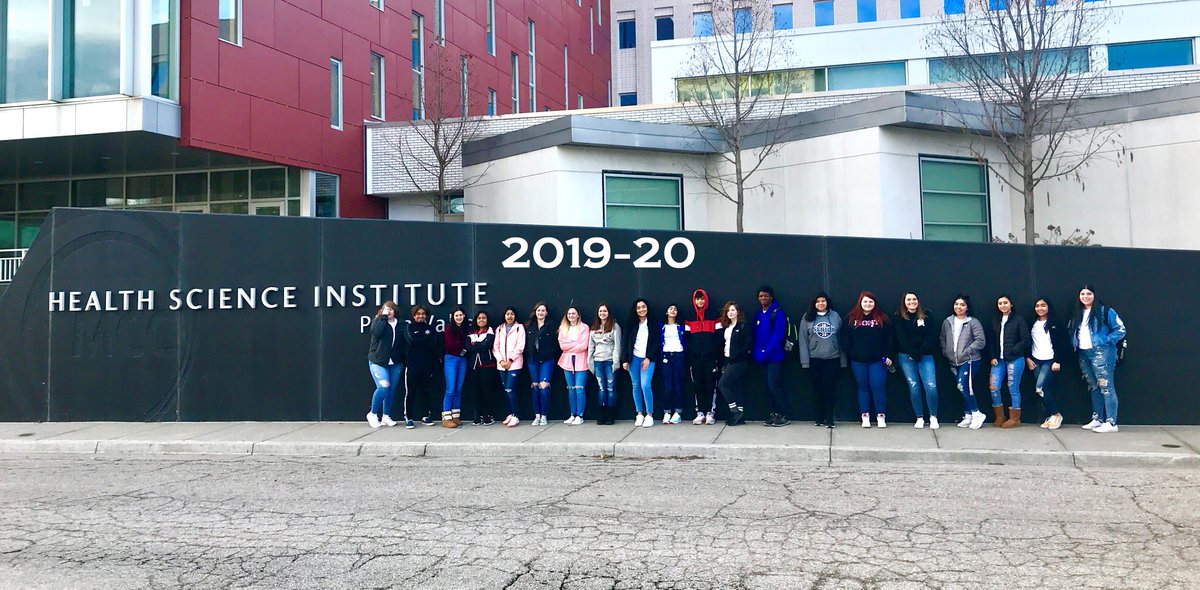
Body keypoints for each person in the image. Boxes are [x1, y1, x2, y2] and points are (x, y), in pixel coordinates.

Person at [1069, 285, 1126, 433]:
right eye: (1082, 294)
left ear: (1094, 295)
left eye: (1089, 293)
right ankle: (1097, 418)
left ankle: (1112, 422)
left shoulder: (1104, 311)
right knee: (1093, 386)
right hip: (1083, 353)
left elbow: (1120, 329)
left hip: (1102, 352)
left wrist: (1105, 341)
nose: (1085, 296)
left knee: (1106, 386)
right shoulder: (1078, 313)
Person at [841, 291, 894, 428]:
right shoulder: (851, 319)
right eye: (865, 301)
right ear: (860, 302)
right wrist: (853, 353)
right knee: (863, 388)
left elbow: (890, 339)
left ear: (874, 303)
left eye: (870, 301)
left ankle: (881, 416)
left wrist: (888, 355)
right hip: (858, 361)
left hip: (878, 361)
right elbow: (844, 339)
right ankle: (865, 416)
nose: (868, 304)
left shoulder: (883, 318)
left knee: (878, 387)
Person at [939, 295, 988, 429]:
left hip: (970, 360)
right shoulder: (947, 322)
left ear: (967, 308)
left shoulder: (973, 322)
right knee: (963, 388)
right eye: (956, 304)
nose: (958, 307)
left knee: (964, 386)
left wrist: (967, 351)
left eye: (962, 305)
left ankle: (977, 413)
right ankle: (968, 415)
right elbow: (942, 339)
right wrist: (946, 352)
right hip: (953, 361)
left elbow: (980, 341)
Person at [799, 292, 846, 428]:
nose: (821, 303)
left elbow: (841, 338)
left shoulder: (835, 316)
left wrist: (843, 360)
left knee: (830, 390)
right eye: (818, 301)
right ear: (814, 303)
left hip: (833, 359)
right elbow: (803, 340)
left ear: (827, 302)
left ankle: (829, 418)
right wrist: (805, 362)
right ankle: (819, 418)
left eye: (823, 301)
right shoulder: (807, 317)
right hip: (815, 360)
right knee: (817, 390)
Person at [894, 292, 940, 429]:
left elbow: (932, 336)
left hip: (925, 355)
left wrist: (920, 352)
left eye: (914, 299)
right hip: (906, 356)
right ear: (904, 302)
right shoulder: (899, 317)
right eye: (908, 300)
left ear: (918, 301)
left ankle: (933, 416)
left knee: (931, 386)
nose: (912, 302)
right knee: (914, 387)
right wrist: (913, 352)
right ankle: (919, 417)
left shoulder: (927, 315)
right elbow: (901, 338)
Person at [988, 295, 1030, 428]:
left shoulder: (1019, 319)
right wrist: (992, 356)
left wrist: (1013, 350)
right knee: (994, 387)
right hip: (998, 360)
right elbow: (991, 341)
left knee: (1013, 388)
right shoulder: (995, 320)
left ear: (1011, 304)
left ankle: (1015, 418)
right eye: (1000, 303)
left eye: (1005, 302)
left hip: (1015, 359)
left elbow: (1025, 340)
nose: (1003, 305)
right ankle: (1000, 416)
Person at [753, 285, 790, 427]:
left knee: (774, 386)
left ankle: (784, 415)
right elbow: (756, 336)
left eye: (766, 296)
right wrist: (758, 354)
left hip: (775, 357)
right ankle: (773, 414)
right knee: (767, 388)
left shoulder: (777, 313)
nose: (763, 298)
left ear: (771, 297)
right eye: (761, 296)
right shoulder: (758, 313)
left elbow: (778, 336)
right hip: (762, 359)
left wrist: (765, 353)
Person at [366, 301, 407, 429]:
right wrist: (383, 317)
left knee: (391, 389)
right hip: (378, 361)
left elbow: (405, 342)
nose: (389, 311)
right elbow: (377, 333)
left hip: (395, 362)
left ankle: (386, 416)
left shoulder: (401, 324)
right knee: (384, 386)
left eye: (391, 309)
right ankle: (372, 414)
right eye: (386, 309)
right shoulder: (378, 322)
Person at [622, 298, 661, 428]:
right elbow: (625, 341)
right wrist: (625, 359)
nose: (641, 309)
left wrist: (649, 358)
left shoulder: (653, 323)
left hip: (647, 359)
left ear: (647, 307)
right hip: (634, 358)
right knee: (636, 385)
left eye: (643, 307)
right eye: (638, 308)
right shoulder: (631, 323)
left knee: (645, 385)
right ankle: (639, 413)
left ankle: (649, 414)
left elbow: (656, 343)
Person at [1028, 298, 1067, 430]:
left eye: (1043, 305)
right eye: (1037, 306)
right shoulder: (1032, 323)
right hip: (1036, 360)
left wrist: (1058, 361)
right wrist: (1028, 358)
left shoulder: (1055, 322)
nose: (1040, 308)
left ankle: (1056, 414)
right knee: (1040, 391)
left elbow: (1063, 342)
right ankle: (1050, 415)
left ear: (1048, 306)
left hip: (1050, 360)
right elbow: (1027, 341)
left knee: (1041, 387)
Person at [685, 289, 720, 425]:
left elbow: (718, 336)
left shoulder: (714, 315)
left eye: (702, 298)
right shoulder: (689, 316)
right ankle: (700, 413)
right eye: (697, 299)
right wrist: (695, 352)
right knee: (697, 385)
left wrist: (710, 351)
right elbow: (687, 338)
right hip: (695, 359)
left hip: (710, 358)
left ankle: (710, 413)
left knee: (711, 385)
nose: (700, 301)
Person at [716, 301, 753, 426]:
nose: (730, 312)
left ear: (738, 312)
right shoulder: (726, 327)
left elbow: (748, 344)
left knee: (723, 384)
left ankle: (735, 411)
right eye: (728, 310)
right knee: (737, 387)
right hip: (727, 360)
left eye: (733, 310)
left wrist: (737, 355)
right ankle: (740, 415)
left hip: (739, 361)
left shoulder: (743, 326)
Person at [405, 305, 441, 428]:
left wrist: (422, 339)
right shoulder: (409, 327)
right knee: (411, 392)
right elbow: (412, 341)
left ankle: (426, 416)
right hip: (412, 365)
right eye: (418, 314)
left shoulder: (430, 328)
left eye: (423, 313)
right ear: (414, 315)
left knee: (425, 391)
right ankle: (409, 417)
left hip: (426, 366)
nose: (421, 315)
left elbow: (433, 343)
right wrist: (425, 339)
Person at [587, 303, 622, 425]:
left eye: (605, 311)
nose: (602, 313)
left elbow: (618, 345)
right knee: (601, 389)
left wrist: (616, 362)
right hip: (597, 362)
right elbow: (590, 347)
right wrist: (590, 363)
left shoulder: (615, 327)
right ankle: (601, 414)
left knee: (611, 388)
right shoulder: (593, 328)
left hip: (610, 362)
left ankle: (610, 415)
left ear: (609, 313)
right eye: (600, 311)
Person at [525, 302, 559, 426]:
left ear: (546, 312)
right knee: (535, 387)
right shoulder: (530, 326)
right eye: (539, 310)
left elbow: (556, 344)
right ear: (535, 312)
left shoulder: (551, 325)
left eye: (543, 310)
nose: (540, 313)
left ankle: (544, 416)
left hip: (546, 360)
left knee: (544, 388)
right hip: (532, 361)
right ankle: (537, 415)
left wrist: (550, 353)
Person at [557, 306, 591, 425]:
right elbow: (562, 346)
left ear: (578, 315)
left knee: (579, 388)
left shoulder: (584, 327)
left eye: (573, 313)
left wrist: (571, 346)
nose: (571, 315)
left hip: (581, 361)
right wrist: (574, 345)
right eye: (569, 313)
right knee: (571, 389)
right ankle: (573, 414)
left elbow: (584, 345)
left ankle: (580, 415)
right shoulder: (563, 328)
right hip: (567, 362)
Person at [493, 307, 525, 427]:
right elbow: (495, 347)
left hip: (514, 364)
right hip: (501, 365)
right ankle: (510, 414)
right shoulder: (499, 328)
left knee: (510, 389)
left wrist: (510, 360)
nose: (509, 316)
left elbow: (520, 346)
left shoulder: (519, 328)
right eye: (507, 314)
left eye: (512, 314)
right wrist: (501, 360)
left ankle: (515, 415)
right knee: (506, 390)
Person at [466, 310, 498, 426]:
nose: (481, 320)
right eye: (479, 318)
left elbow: (487, 345)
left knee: (487, 391)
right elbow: (468, 346)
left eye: (483, 318)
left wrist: (476, 345)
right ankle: (477, 416)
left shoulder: (490, 331)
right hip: (474, 366)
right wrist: (478, 345)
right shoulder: (472, 331)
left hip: (487, 366)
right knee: (476, 392)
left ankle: (487, 415)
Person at [441, 307, 470, 428]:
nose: (459, 317)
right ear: (453, 317)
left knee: (458, 388)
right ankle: (446, 418)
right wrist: (464, 345)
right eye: (456, 315)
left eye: (461, 315)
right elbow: (450, 345)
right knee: (450, 388)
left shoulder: (466, 328)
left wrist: (466, 346)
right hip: (451, 359)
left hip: (462, 360)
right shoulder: (448, 329)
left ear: (464, 316)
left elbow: (469, 344)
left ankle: (456, 415)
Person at [660, 303, 687, 424]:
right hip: (666, 356)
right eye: (670, 308)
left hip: (679, 356)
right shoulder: (661, 326)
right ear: (666, 312)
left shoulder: (681, 326)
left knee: (678, 385)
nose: (673, 310)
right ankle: (667, 412)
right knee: (667, 386)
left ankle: (678, 412)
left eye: (675, 309)